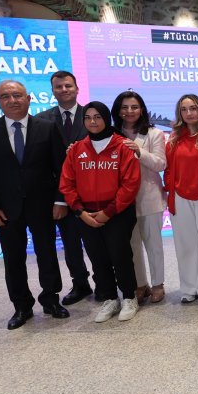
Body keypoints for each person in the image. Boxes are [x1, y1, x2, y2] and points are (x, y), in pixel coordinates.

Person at [0, 80, 68, 331]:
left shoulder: (47, 128)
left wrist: (60, 200)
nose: (12, 100)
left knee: (47, 254)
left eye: (17, 95)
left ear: (28, 98)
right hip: (5, 209)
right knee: (13, 259)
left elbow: (62, 168)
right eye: (5, 96)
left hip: (43, 205)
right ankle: (21, 306)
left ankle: (51, 300)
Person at [59, 102, 142, 324]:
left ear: (106, 118)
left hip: (117, 213)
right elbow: (67, 184)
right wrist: (80, 212)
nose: (93, 121)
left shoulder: (123, 147)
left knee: (121, 256)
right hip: (86, 214)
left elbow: (130, 184)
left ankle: (129, 297)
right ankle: (108, 298)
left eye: (97, 117)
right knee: (98, 258)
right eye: (88, 117)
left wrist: (108, 212)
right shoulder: (76, 149)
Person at [36, 70, 92, 305]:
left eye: (68, 86)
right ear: (53, 91)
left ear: (77, 89)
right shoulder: (41, 120)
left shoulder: (92, 116)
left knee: (96, 242)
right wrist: (60, 197)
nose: (64, 90)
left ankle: (106, 283)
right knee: (70, 243)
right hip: (60, 194)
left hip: (92, 190)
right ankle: (80, 284)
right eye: (59, 87)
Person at [113, 90, 168, 305]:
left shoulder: (154, 134)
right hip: (122, 200)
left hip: (149, 196)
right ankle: (140, 284)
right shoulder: (112, 134)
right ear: (118, 111)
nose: (129, 111)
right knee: (132, 245)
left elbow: (160, 164)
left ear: (142, 109)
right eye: (125, 107)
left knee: (153, 244)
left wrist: (138, 151)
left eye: (134, 107)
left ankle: (158, 284)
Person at [165, 94, 198, 305]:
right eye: (184, 109)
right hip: (180, 195)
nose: (189, 113)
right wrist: (172, 192)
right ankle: (188, 288)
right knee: (186, 243)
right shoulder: (173, 139)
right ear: (180, 113)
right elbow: (169, 170)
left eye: (193, 108)